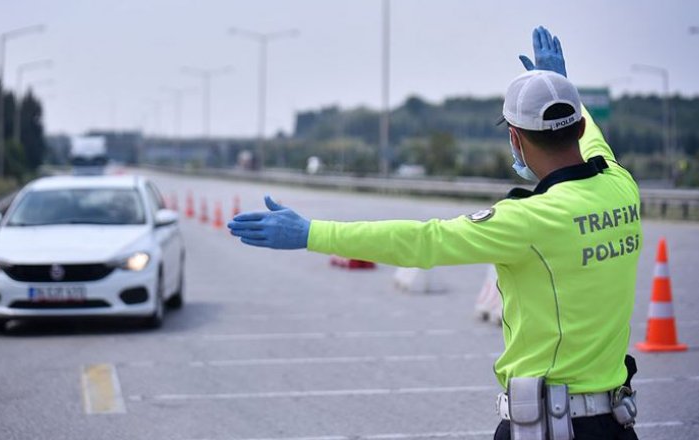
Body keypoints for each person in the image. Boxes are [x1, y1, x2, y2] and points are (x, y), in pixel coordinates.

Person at [228, 26, 641, 440]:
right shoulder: (620, 186)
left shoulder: (527, 220)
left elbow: (422, 241)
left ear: (515, 138)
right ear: (578, 127)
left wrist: (310, 233)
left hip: (553, 429)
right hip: (616, 424)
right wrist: (563, 90)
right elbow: (594, 145)